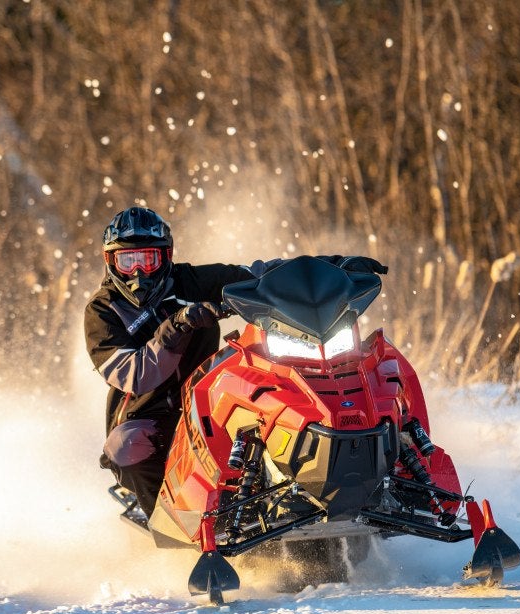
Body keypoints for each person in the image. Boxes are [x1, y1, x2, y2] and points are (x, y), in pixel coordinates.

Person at [83, 206, 387, 517]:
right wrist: (178, 325)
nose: (138, 272)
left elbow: (263, 273)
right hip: (150, 415)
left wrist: (337, 267)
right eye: (127, 261)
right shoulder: (103, 312)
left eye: (148, 260)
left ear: (165, 256)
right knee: (126, 447)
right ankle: (166, 524)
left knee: (274, 392)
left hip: (208, 393)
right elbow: (134, 375)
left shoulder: (189, 281)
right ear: (110, 262)